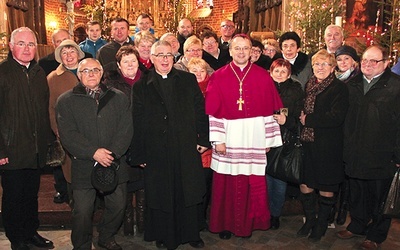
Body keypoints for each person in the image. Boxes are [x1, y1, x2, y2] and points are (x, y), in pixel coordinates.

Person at [130, 40, 209, 249]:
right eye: (160, 55)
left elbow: (200, 111)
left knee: (188, 191)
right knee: (162, 193)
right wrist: (140, 154)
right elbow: (136, 121)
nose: (164, 60)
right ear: (151, 59)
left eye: (168, 55)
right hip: (157, 150)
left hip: (185, 146)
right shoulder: (141, 86)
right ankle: (164, 235)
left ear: (173, 58)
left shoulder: (187, 79)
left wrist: (203, 139)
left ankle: (192, 233)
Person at [205, 34, 283, 239]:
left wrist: (267, 140)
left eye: (245, 48)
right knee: (225, 183)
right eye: (237, 48)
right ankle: (225, 224)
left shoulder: (263, 76)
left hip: (254, 137)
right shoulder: (219, 76)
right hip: (228, 137)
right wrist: (218, 139)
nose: (241, 52)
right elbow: (213, 112)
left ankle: (248, 224)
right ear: (230, 51)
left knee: (251, 183)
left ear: (252, 52)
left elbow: (270, 111)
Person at [56, 58, 133, 250]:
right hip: (84, 164)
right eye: (85, 71)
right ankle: (81, 244)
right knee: (82, 211)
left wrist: (112, 153)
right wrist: (93, 152)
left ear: (102, 73)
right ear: (78, 75)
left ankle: (105, 236)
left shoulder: (119, 97)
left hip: (113, 163)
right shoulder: (66, 101)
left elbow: (126, 129)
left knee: (118, 206)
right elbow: (68, 134)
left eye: (95, 70)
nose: (91, 74)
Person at [337, 45, 400, 250]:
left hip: (383, 154)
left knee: (380, 198)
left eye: (374, 61)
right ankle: (357, 225)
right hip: (355, 151)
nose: (368, 64)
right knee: (357, 192)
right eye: (365, 60)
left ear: (386, 63)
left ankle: (375, 235)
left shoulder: (395, 86)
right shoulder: (351, 84)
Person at [0, 27, 53, 250]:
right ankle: (17, 238)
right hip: (11, 147)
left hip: (35, 146)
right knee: (14, 197)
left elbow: (43, 109)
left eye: (31, 44)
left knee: (31, 194)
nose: (26, 48)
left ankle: (31, 233)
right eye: (21, 44)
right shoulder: (2, 72)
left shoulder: (39, 72)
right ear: (11, 46)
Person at [298, 49, 349, 242]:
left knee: (326, 185)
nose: (320, 68)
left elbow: (336, 117)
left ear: (333, 67)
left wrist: (308, 119)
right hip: (308, 143)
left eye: (324, 64)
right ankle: (310, 220)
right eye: (317, 64)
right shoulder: (309, 85)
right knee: (305, 183)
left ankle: (321, 225)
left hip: (329, 145)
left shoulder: (339, 88)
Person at [101, 45, 145, 236]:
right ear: (118, 65)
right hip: (121, 139)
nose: (130, 65)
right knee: (125, 181)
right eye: (125, 61)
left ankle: (143, 222)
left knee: (143, 182)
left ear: (139, 62)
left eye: (133, 61)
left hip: (143, 138)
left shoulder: (148, 80)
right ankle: (127, 222)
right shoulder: (110, 84)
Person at [267, 58, 304, 229]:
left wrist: (286, 121)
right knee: (264, 181)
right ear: (271, 72)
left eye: (284, 71)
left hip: (284, 141)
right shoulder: (263, 87)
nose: (280, 74)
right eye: (277, 71)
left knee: (279, 181)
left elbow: (298, 120)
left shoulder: (296, 90)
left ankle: (275, 214)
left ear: (289, 73)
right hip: (264, 140)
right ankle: (264, 213)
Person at [47, 39, 85, 206]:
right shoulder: (53, 78)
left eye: (72, 52)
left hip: (91, 132)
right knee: (71, 172)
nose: (69, 56)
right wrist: (57, 130)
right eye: (64, 53)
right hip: (67, 133)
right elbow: (50, 108)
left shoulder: (90, 71)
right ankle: (74, 205)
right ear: (60, 56)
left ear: (78, 53)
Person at [333, 44, 360, 226]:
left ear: (354, 61)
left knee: (347, 175)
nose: (343, 62)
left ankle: (343, 209)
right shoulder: (333, 78)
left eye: (346, 59)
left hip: (350, 132)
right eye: (339, 59)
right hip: (335, 132)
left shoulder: (357, 80)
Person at [187, 57, 213, 229]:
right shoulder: (183, 89)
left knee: (205, 183)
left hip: (208, 145)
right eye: (194, 71)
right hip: (188, 143)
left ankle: (201, 218)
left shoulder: (213, 89)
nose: (198, 74)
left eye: (201, 71)